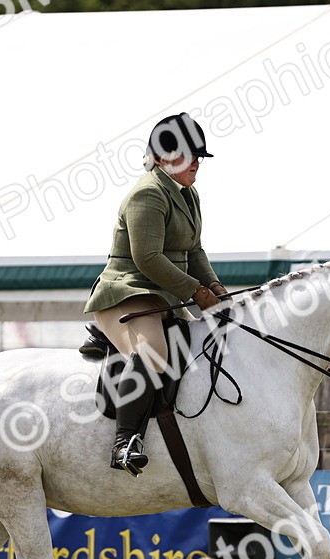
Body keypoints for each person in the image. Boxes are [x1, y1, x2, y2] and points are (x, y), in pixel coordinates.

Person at [83, 112, 227, 474]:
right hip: (128, 290)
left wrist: (214, 287)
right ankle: (124, 443)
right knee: (154, 353)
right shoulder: (148, 193)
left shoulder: (188, 194)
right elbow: (146, 258)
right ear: (164, 158)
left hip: (166, 296)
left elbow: (194, 251)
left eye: (198, 156)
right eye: (188, 155)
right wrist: (195, 290)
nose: (196, 162)